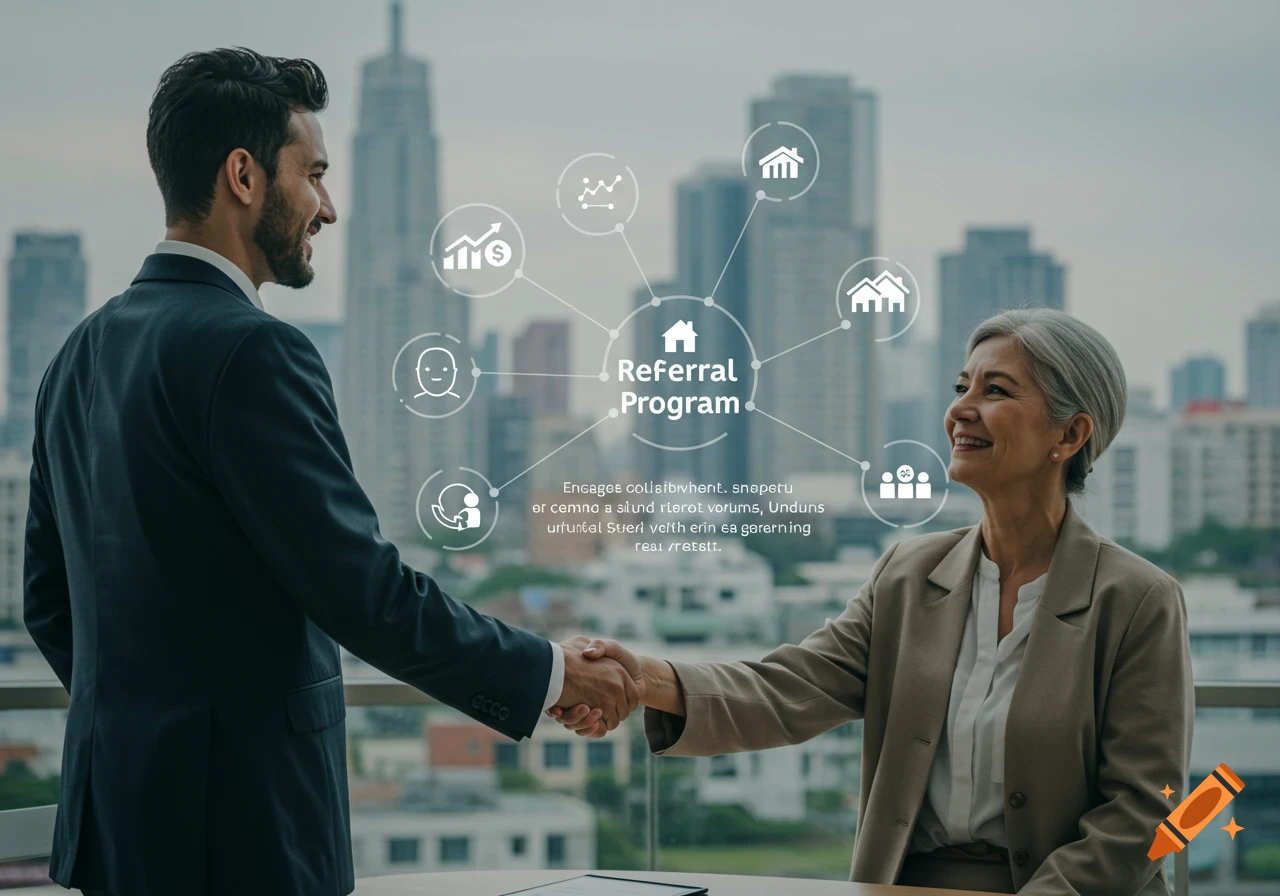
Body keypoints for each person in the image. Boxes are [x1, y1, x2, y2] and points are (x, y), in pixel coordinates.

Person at [22, 49, 636, 896]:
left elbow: (48, 603)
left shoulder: (79, 354)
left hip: (116, 822)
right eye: (312, 175)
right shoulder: (252, 350)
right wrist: (552, 674)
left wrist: (149, 731)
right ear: (243, 176)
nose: (329, 208)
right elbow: (361, 591)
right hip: (241, 832)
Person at [555, 309, 1194, 895]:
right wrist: (642, 678)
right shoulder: (908, 575)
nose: (961, 410)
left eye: (995, 391)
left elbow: (1149, 810)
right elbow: (789, 688)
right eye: (962, 387)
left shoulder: (1138, 601)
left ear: (1071, 433)